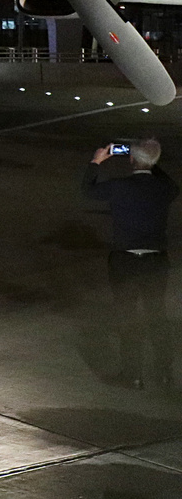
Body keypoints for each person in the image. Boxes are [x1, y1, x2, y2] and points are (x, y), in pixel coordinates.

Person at [83, 138, 176, 389]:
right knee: (157, 316)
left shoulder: (120, 186)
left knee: (128, 316)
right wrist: (150, 160)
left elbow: (89, 190)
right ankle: (165, 373)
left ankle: (133, 375)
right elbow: (168, 183)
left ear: (131, 159)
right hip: (156, 260)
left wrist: (96, 162)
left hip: (126, 260)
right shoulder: (164, 189)